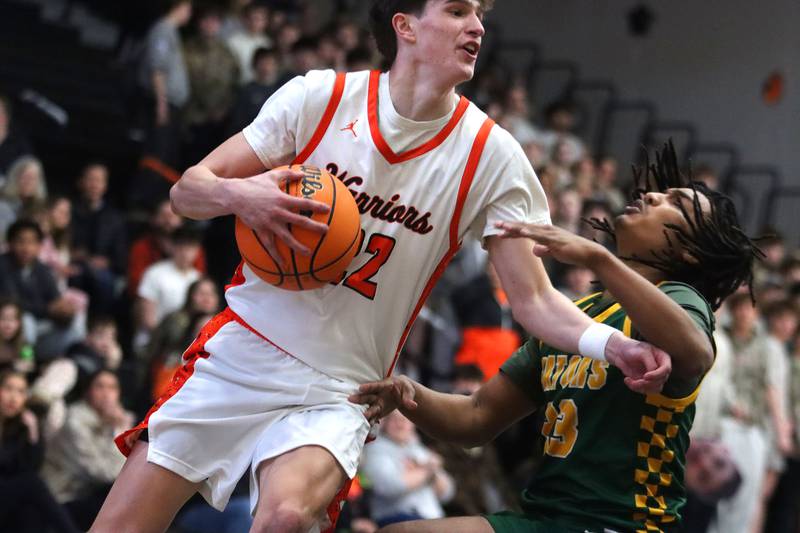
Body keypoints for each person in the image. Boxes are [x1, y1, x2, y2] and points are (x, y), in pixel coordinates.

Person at [93, 2, 671, 532]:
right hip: (246, 348)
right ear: (406, 26)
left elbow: (535, 300)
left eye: (480, 14)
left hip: (342, 383)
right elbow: (188, 192)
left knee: (285, 518)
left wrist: (609, 345)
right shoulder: (320, 97)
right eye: (457, 10)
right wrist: (244, 197)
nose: (478, 27)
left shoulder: (491, 156)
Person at [350, 142, 764, 532]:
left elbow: (692, 354)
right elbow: (476, 417)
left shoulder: (679, 299)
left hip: (624, 524)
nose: (654, 196)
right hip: (546, 517)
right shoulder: (577, 316)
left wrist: (597, 257)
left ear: (689, 252)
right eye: (662, 192)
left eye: (676, 203)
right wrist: (407, 394)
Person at [41, 369, 132, 530]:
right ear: (88, 392)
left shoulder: (116, 418)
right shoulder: (75, 421)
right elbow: (104, 474)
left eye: (112, 388)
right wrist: (120, 430)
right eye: (100, 387)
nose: (106, 394)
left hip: (88, 493)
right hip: (62, 496)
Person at [0, 369, 81, 533]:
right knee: (32, 484)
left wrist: (33, 431)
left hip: (7, 500)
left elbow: (31, 468)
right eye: (8, 389)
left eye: (21, 392)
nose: (14, 398)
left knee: (30, 511)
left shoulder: (18, 428)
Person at [360, 410, 454, 526]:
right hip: (397, 519)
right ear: (385, 423)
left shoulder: (418, 448)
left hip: (431, 518)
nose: (400, 424)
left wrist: (427, 473)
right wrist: (427, 470)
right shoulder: (375, 449)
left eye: (405, 419)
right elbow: (390, 486)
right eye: (394, 419)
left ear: (413, 424)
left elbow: (447, 493)